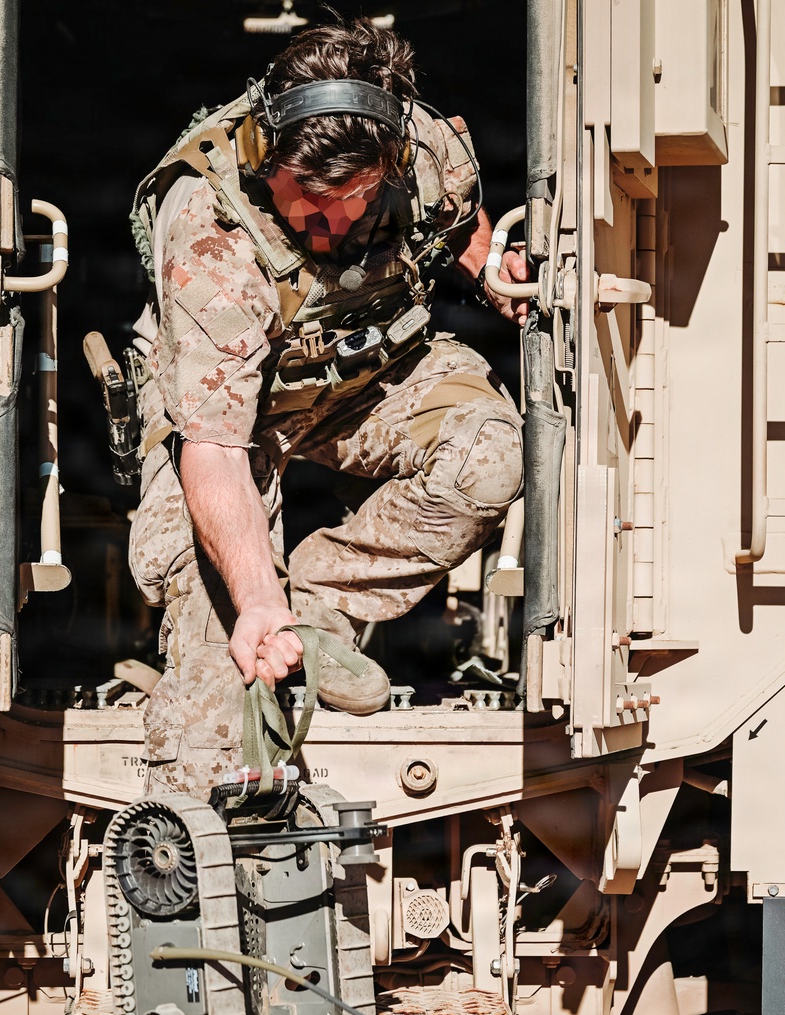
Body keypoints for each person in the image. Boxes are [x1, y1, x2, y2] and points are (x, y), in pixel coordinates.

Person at [128, 19, 528, 797]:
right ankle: (204, 819)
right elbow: (216, 449)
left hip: (367, 378)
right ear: (266, 160)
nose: (335, 222)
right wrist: (255, 603)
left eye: (358, 199)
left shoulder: (417, 148)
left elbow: (454, 217)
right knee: (220, 664)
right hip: (232, 412)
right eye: (310, 201)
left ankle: (316, 610)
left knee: (489, 456)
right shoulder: (211, 232)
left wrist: (489, 271)